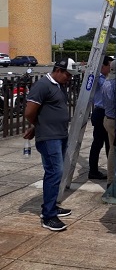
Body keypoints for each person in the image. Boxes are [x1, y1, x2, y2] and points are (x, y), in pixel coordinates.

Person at [23, 58, 79, 231]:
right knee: (55, 172)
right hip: (49, 137)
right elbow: (29, 112)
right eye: (68, 75)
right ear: (58, 70)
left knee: (56, 173)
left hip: (60, 135)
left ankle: (51, 206)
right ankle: (48, 216)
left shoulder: (58, 85)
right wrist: (37, 126)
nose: (69, 78)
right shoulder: (42, 86)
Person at [88, 56, 114, 180]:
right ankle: (93, 170)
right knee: (98, 143)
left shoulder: (108, 78)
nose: (110, 69)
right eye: (109, 66)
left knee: (110, 143)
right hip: (100, 112)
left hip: (107, 113)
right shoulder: (98, 79)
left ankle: (111, 171)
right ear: (102, 66)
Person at [102, 59, 116, 189]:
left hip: (107, 118)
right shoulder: (115, 83)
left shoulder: (107, 81)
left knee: (112, 149)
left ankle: (111, 180)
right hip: (114, 120)